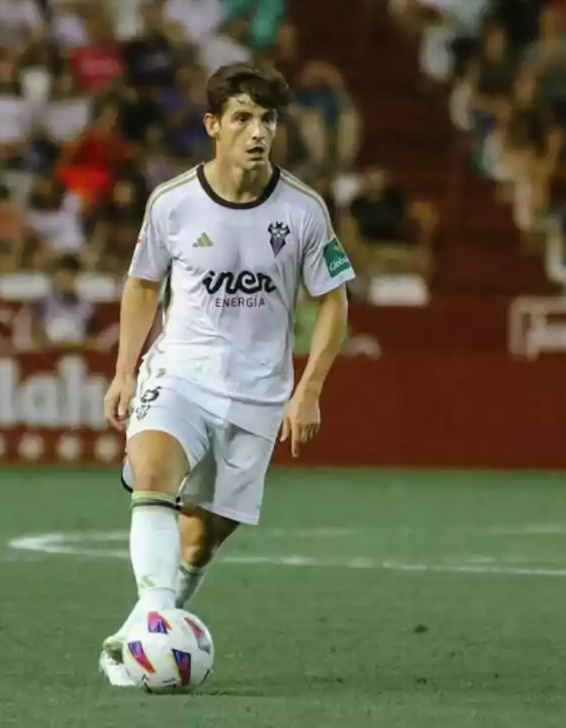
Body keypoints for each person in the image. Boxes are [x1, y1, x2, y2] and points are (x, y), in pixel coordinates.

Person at [97, 63, 355, 685]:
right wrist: (125, 370)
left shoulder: (302, 211)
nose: (257, 131)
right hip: (179, 374)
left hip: (258, 395)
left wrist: (310, 388)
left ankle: (142, 632)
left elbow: (334, 303)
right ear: (214, 126)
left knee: (198, 543)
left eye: (267, 118)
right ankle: (156, 627)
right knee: (153, 474)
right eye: (242, 118)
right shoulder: (173, 203)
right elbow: (141, 284)